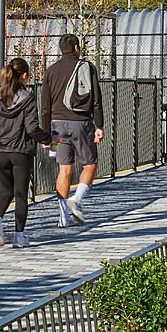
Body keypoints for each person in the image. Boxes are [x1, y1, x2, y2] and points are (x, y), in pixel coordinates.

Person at [0, 55, 41, 248]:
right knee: (20, 194)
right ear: (25, 75)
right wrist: (47, 138)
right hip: (20, 150)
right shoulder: (28, 98)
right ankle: (19, 236)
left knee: (5, 190)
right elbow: (32, 128)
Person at [39, 32, 104, 226]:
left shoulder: (50, 71)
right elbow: (96, 101)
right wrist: (99, 126)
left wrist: (45, 135)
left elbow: (44, 107)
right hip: (81, 123)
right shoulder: (86, 67)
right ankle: (76, 200)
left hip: (56, 128)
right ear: (76, 48)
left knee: (63, 170)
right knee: (90, 164)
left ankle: (63, 217)